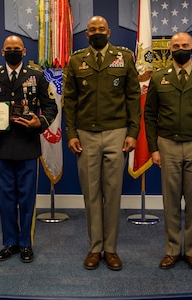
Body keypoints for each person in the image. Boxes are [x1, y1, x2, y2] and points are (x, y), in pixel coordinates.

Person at [63, 16, 141, 271]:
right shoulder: (76, 60)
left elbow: (132, 96)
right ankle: (95, 247)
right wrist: (71, 133)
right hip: (85, 135)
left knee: (113, 193)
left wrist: (133, 132)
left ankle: (111, 249)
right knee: (91, 194)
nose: (97, 32)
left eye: (101, 29)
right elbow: (70, 101)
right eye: (92, 29)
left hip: (117, 132)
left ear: (109, 31)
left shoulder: (124, 57)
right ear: (86, 34)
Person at [144, 32, 192, 272]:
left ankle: (191, 252)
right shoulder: (159, 78)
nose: (181, 48)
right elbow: (149, 116)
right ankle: (171, 251)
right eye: (176, 45)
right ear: (169, 49)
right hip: (167, 145)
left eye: (185, 45)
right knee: (170, 202)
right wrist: (153, 149)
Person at [0, 35, 57, 263]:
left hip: (27, 146)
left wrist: (40, 123)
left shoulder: (37, 76)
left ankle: (25, 243)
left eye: (17, 48)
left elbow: (51, 107)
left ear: (24, 52)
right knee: (5, 199)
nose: (13, 51)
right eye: (9, 48)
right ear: (2, 52)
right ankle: (9, 242)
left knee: (26, 199)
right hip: (1, 146)